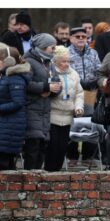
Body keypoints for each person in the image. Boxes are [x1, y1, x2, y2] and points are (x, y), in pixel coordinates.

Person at [23, 33, 60, 170]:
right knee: (33, 146)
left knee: (42, 146)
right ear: (43, 47)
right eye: (52, 47)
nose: (54, 50)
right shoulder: (28, 61)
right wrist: (45, 87)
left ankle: (38, 181)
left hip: (45, 110)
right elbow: (25, 84)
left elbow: (55, 81)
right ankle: (28, 181)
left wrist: (57, 89)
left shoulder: (49, 62)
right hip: (32, 108)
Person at [44, 45, 84, 172]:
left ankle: (57, 175)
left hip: (67, 117)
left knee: (62, 148)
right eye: (63, 61)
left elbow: (79, 93)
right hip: (52, 116)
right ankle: (49, 173)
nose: (67, 64)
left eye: (68, 61)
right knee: (52, 147)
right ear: (55, 61)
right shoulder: (50, 73)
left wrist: (78, 107)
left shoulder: (74, 74)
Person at [66, 27, 101, 165]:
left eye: (83, 37)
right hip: (72, 92)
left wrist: (93, 82)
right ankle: (72, 156)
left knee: (90, 123)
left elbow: (99, 70)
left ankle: (88, 157)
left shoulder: (93, 53)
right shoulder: (66, 53)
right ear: (71, 38)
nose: (81, 39)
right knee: (72, 123)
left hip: (90, 92)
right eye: (77, 36)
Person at [0, 47, 31, 170]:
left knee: (4, 165)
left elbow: (18, 102)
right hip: (5, 125)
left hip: (10, 126)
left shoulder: (15, 78)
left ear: (9, 61)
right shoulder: (7, 77)